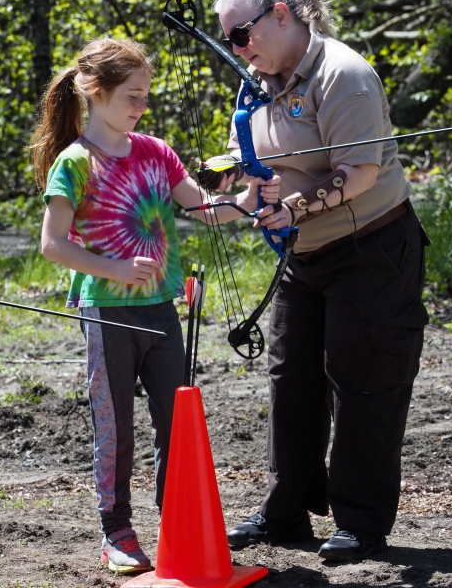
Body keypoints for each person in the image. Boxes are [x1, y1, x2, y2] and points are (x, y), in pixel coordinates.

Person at [203, 0, 430, 562]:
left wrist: (294, 207)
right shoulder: (257, 84)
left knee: (361, 382)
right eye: (228, 39)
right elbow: (259, 180)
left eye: (241, 34)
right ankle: (285, 514)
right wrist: (222, 202)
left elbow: (359, 175)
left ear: (282, 13)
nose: (236, 48)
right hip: (303, 255)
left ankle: (361, 522)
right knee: (290, 381)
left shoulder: (344, 75)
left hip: (373, 250)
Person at [29, 38, 279, 574]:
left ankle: (178, 521)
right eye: (132, 96)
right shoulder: (74, 163)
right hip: (107, 311)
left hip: (162, 310)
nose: (141, 106)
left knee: (178, 421)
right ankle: (116, 530)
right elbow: (52, 244)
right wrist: (116, 269)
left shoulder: (155, 150)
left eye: (145, 96)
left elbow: (207, 209)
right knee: (115, 425)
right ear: (95, 93)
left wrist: (248, 195)